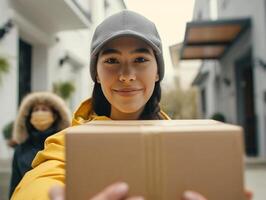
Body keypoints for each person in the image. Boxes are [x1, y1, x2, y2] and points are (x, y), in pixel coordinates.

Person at [10, 10, 251, 200]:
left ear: (157, 72)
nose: (126, 75)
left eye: (141, 59)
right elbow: (40, 183)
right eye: (112, 60)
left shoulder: (184, 143)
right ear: (96, 74)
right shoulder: (69, 141)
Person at [9, 92, 71, 198]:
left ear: (55, 116)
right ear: (29, 117)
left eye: (44, 109)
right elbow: (15, 184)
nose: (39, 113)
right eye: (36, 110)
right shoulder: (21, 149)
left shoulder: (63, 146)